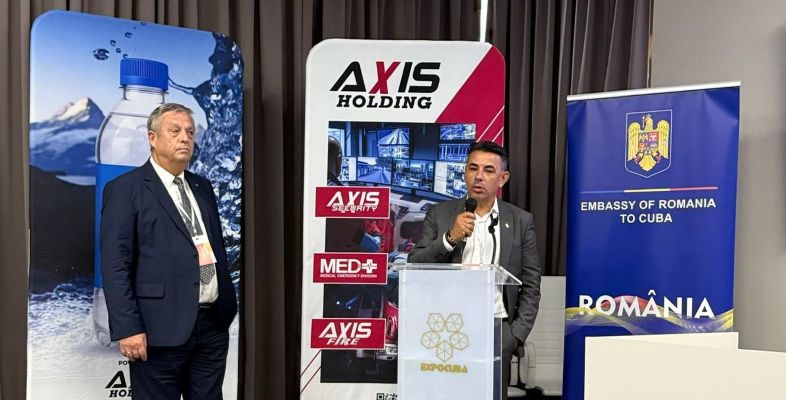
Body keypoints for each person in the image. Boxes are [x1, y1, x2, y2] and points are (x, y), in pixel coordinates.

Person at [101, 103, 238, 399]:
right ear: (152, 138)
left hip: (212, 326)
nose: (185, 138)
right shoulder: (125, 189)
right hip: (158, 329)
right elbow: (115, 265)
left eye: (190, 132)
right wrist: (128, 327)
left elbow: (209, 247)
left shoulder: (202, 186)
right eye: (175, 131)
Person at [408, 141, 541, 399]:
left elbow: (531, 283)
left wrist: (515, 336)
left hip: (496, 327)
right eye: (473, 168)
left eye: (489, 170)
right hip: (445, 325)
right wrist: (450, 238)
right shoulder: (439, 213)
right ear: (465, 172)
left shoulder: (521, 220)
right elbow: (415, 263)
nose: (479, 176)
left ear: (503, 178)